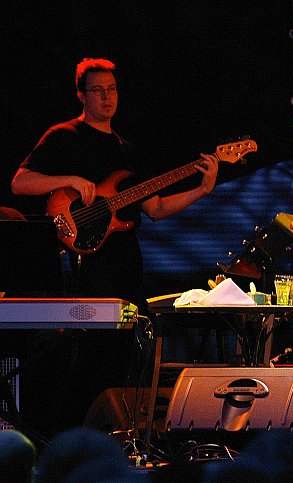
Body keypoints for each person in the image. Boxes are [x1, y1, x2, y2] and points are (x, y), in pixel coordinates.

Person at [11, 57, 219, 311]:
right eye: (97, 90)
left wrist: (202, 190)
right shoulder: (63, 135)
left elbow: (156, 208)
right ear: (81, 95)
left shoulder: (127, 151)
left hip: (124, 269)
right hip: (83, 268)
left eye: (111, 89)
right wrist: (71, 180)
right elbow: (19, 182)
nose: (106, 96)